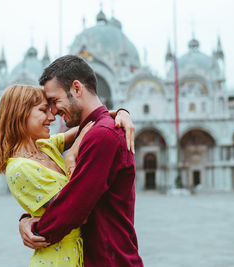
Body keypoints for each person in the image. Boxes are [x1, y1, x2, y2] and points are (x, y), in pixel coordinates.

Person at [0, 84, 134, 266]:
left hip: (77, 255)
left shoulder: (46, 146)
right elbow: (75, 209)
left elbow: (89, 124)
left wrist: (120, 112)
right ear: (20, 113)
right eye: (43, 110)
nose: (51, 117)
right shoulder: (20, 168)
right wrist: (71, 155)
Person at [19, 55, 144, 266]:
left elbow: (74, 206)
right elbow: (66, 194)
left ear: (77, 89)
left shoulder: (102, 134)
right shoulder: (94, 129)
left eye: (54, 101)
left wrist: (35, 230)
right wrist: (25, 218)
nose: (54, 112)